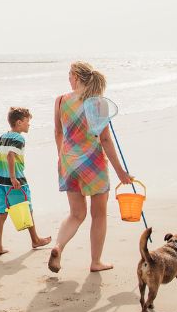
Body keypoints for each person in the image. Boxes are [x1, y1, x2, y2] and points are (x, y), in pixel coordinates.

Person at [47, 61, 133, 274]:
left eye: (69, 74)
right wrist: (121, 172)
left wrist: (63, 156)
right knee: (99, 214)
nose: (68, 78)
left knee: (76, 214)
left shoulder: (60, 101)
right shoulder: (99, 104)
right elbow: (104, 139)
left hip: (68, 161)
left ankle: (58, 246)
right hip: (93, 163)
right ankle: (95, 261)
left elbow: (58, 133)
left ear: (76, 76)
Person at [0, 107, 53, 256]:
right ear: (19, 122)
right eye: (27, 121)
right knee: (28, 208)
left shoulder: (3, 136)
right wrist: (13, 177)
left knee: (2, 214)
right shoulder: (19, 138)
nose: (29, 124)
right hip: (16, 182)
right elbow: (11, 156)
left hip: (0, 182)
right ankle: (35, 240)